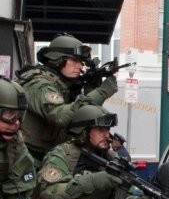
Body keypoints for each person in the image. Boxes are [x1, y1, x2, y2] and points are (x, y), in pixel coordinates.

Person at [18, 34, 119, 163]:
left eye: (81, 62)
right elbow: (60, 117)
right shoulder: (39, 84)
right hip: (28, 158)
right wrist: (101, 92)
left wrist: (91, 89)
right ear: (58, 59)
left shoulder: (64, 85)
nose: (80, 66)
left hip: (49, 155)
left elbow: (82, 120)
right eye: (75, 60)